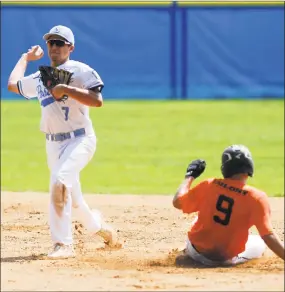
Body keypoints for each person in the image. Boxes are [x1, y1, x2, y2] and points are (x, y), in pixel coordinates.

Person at [7, 25, 121, 258]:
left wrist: (66, 89)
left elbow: (97, 100)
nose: (55, 47)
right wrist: (25, 58)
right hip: (53, 145)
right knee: (74, 198)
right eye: (51, 43)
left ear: (71, 47)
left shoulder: (80, 70)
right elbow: (13, 85)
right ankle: (99, 228)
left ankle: (63, 244)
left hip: (80, 140)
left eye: (60, 43)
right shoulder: (41, 77)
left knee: (59, 183)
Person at [173, 144, 284, 266]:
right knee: (259, 243)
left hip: (194, 252)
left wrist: (190, 176)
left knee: (198, 218)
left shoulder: (209, 185)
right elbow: (268, 236)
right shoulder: (257, 197)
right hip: (223, 259)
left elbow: (178, 202)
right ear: (249, 167)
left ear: (224, 168)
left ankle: (187, 251)